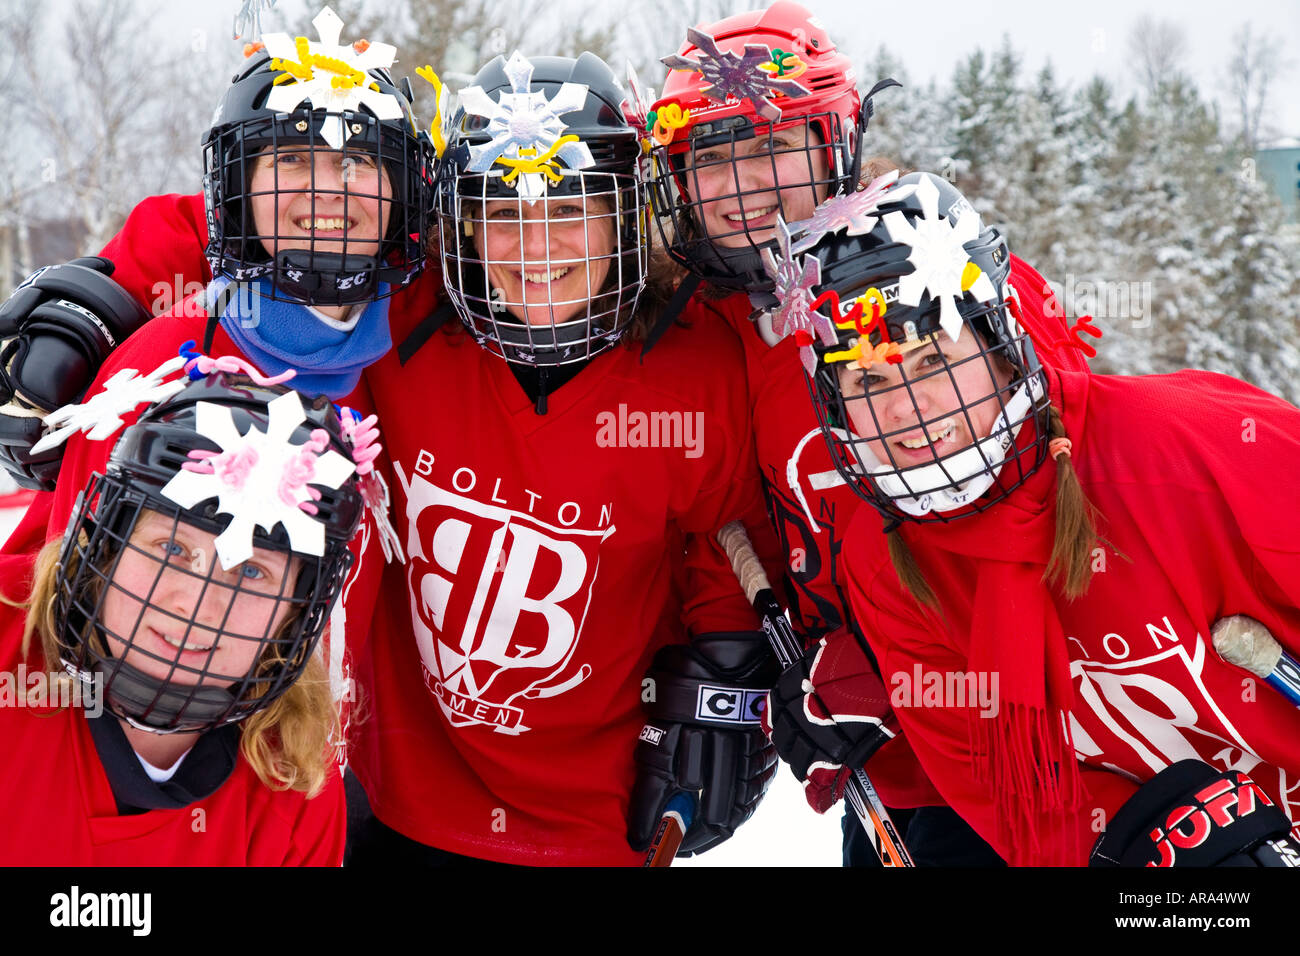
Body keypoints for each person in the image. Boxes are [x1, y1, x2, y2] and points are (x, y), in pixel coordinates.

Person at [2, 37, 779, 864]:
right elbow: (282, 211)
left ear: (623, 216)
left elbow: (720, 534)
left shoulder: (697, 367)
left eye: (570, 210)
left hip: (593, 812)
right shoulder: (406, 319)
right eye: (503, 213)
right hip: (392, 795)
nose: (539, 249)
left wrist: (722, 665)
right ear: (458, 222)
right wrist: (109, 287)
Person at [641, 0, 1098, 865]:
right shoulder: (715, 332)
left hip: (1041, 744)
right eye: (716, 157)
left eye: (774, 145)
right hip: (890, 765)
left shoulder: (929, 270)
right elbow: (742, 517)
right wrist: (759, 660)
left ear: (833, 144)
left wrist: (911, 662)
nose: (745, 185)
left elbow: (1072, 471)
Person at [780, 169, 1300, 867]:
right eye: (869, 380)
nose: (904, 408)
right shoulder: (886, 562)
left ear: (1000, 345)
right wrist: (1127, 851)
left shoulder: (1187, 450)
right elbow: (1022, 815)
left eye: (932, 359)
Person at [0, 368, 370, 864]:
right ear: (108, 547)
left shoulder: (293, 786)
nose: (197, 603)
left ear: (293, 614)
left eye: (253, 572)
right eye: (172, 545)